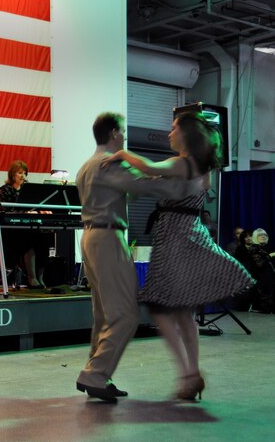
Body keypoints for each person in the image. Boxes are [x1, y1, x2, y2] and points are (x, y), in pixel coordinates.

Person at [103, 111, 253, 401]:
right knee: (183, 312)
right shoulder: (202, 169)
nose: (169, 133)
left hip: (175, 239)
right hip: (190, 234)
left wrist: (122, 153)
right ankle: (191, 374)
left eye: (173, 129)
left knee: (160, 308)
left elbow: (146, 167)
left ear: (185, 135)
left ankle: (188, 374)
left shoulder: (182, 163)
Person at [74, 112, 204, 403]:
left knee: (103, 315)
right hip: (108, 238)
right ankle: (95, 374)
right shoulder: (110, 163)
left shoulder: (87, 166)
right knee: (126, 314)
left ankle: (98, 373)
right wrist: (183, 187)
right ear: (114, 134)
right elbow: (142, 187)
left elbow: (126, 191)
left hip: (91, 238)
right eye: (122, 132)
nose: (124, 137)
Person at [0, 160, 52, 288]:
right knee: (30, 240)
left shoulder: (29, 189)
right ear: (12, 174)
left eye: (24, 173)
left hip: (30, 227)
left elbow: (37, 206)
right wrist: (25, 212)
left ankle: (40, 277)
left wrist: (41, 210)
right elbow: (4, 211)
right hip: (12, 230)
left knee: (44, 239)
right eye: (19, 173)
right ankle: (31, 278)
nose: (23, 176)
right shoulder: (5, 190)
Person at [249, 228, 275, 313]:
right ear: (255, 237)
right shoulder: (254, 248)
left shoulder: (266, 247)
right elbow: (259, 264)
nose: (263, 236)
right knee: (266, 292)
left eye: (265, 235)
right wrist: (270, 256)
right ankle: (266, 309)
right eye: (260, 235)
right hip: (261, 275)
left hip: (269, 274)